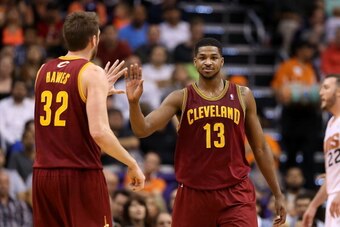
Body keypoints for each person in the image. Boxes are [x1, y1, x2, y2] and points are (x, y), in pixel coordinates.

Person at [126, 37, 286, 227]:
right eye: (202, 57)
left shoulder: (243, 95)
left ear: (222, 61)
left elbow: (259, 148)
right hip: (194, 193)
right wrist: (134, 103)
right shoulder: (181, 97)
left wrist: (277, 193)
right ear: (195, 62)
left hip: (235, 192)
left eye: (213, 57)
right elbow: (142, 129)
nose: (208, 62)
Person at [33, 11, 145, 227]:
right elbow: (99, 132)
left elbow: (62, 112)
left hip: (43, 174)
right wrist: (132, 163)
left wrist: (99, 92)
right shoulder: (92, 73)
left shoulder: (42, 70)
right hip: (80, 173)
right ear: (94, 39)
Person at [302, 74, 340, 227]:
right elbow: (332, 178)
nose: (320, 93)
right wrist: (313, 206)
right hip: (333, 199)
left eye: (326, 88)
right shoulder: (331, 124)